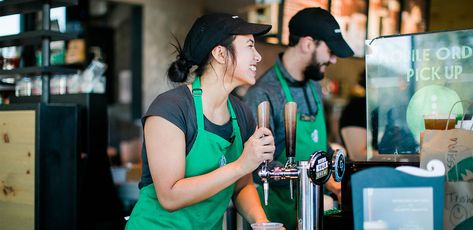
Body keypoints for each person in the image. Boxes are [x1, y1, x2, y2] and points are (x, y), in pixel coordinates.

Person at [126, 14, 276, 229]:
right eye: (250, 46)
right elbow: (170, 196)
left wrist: (262, 223)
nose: (258, 56)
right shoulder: (170, 109)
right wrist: (241, 164)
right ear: (220, 53)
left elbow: (242, 185)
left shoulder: (241, 113)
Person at [244, 7, 354, 230]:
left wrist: (337, 169)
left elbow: (319, 145)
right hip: (276, 216)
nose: (333, 59)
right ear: (307, 44)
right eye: (330, 50)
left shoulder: (314, 85)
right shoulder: (263, 94)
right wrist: (313, 176)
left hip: (315, 213)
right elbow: (256, 167)